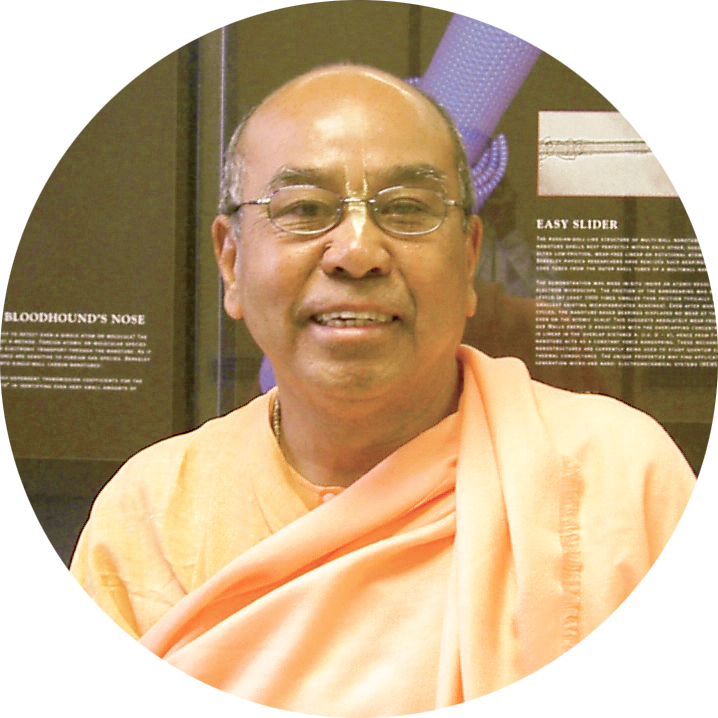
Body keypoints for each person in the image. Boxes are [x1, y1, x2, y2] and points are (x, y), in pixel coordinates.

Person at [53, 64, 718, 718]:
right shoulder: (149, 515)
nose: (357, 252)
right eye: (304, 209)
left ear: (468, 259)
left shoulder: (617, 477)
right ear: (231, 262)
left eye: (406, 209)